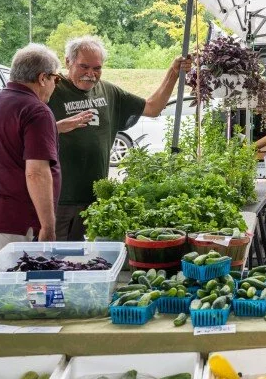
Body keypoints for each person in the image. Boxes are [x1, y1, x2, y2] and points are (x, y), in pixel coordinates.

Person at [49, 36, 192, 241]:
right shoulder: (51, 89)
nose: (90, 74)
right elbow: (26, 132)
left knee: (83, 262)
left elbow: (153, 107)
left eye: (97, 68)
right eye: (84, 66)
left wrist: (173, 73)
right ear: (68, 62)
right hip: (57, 199)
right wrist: (58, 128)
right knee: (52, 261)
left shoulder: (108, 91)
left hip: (94, 199)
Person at [0, 43, 62, 268]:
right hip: (12, 221)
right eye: (57, 78)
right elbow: (36, 173)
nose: (55, 85)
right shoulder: (36, 110)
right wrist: (48, 226)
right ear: (43, 77)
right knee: (12, 295)